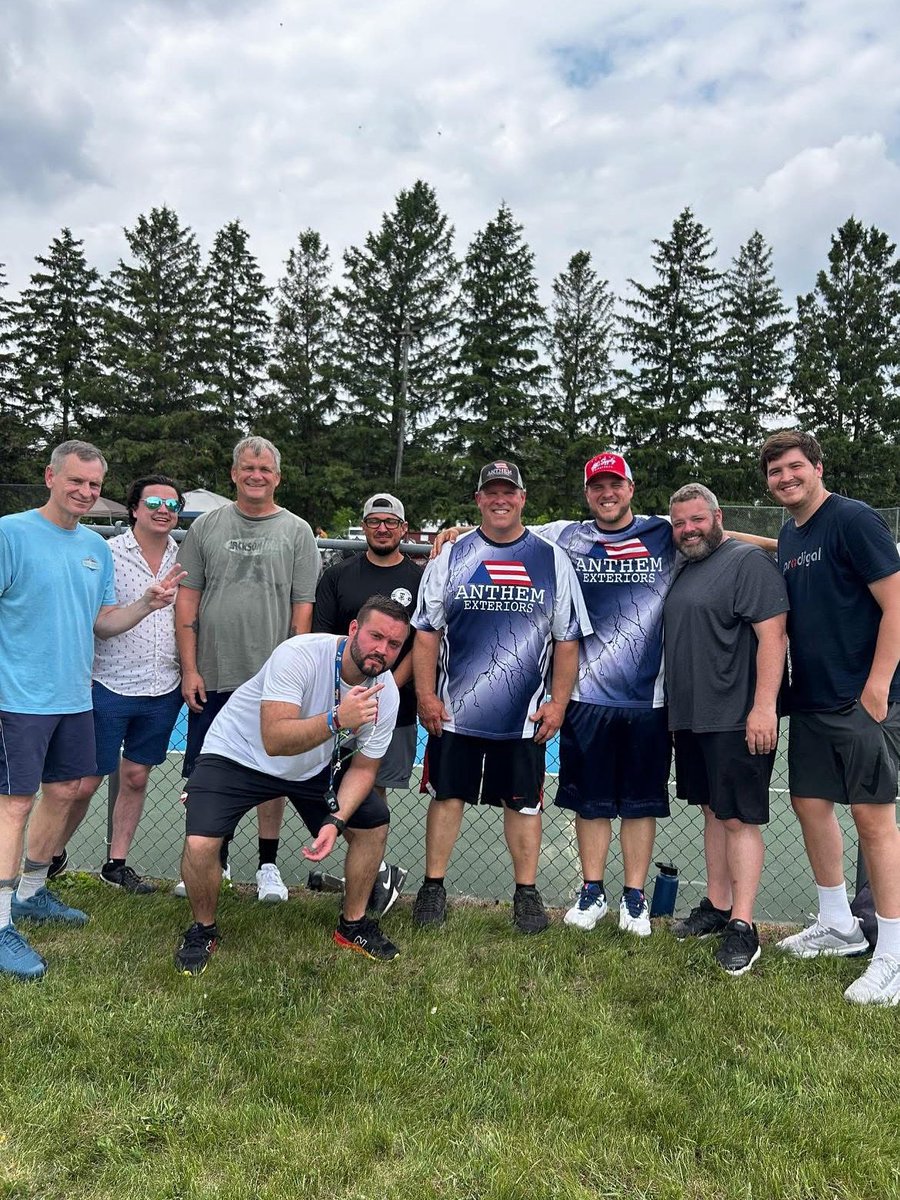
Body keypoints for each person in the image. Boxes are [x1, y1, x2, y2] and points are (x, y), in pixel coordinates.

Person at [432, 451, 774, 937]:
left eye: (616, 485)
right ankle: (591, 890)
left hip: (648, 700)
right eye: (597, 487)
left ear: (631, 489)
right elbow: (506, 529)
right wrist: (454, 534)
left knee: (638, 804)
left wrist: (783, 544)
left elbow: (717, 534)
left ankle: (634, 898)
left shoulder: (664, 532)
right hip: (584, 698)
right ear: (588, 493)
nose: (607, 494)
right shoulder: (564, 535)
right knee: (589, 802)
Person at [0, 441, 183, 980]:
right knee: (12, 807)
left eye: (93, 485)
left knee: (63, 793)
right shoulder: (10, 532)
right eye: (75, 481)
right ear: (50, 477)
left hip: (75, 696)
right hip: (17, 699)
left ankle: (32, 893)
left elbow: (101, 622)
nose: (84, 492)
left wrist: (146, 605)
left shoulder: (95, 549)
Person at [174, 596, 411, 975]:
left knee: (373, 824)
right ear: (353, 630)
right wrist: (337, 719)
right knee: (201, 844)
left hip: (309, 767)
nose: (381, 650)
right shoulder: (299, 654)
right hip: (238, 754)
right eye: (375, 636)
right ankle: (203, 930)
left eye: (394, 644)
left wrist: (336, 821)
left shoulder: (387, 694)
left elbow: (365, 769)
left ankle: (353, 926)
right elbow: (275, 739)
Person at [410, 461, 590, 934]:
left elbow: (567, 639)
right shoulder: (451, 556)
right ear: (479, 500)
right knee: (447, 796)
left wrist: (558, 703)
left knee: (524, 803)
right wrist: (426, 696)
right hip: (455, 712)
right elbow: (427, 633)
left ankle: (525, 895)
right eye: (491, 492)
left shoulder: (551, 559)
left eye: (508, 491)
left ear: (523, 498)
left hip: (523, 716)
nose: (500, 499)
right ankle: (433, 886)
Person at [760, 430, 900, 1005]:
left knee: (873, 822)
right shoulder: (791, 531)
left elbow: (897, 602)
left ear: (817, 466)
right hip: (813, 701)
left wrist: (878, 686)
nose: (785, 478)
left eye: (795, 467)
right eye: (775, 473)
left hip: (862, 702)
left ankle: (891, 954)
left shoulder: (854, 519)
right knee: (810, 805)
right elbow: (778, 551)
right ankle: (838, 923)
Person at [175, 436, 320, 902]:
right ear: (234, 474)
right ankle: (212, 861)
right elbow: (188, 602)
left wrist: (293, 677)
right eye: (247, 468)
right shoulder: (206, 528)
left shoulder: (297, 531)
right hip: (215, 674)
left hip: (272, 685)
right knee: (207, 775)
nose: (256, 475)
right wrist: (190, 669)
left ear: (277, 477)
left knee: (271, 774)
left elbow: (303, 611)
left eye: (265, 469)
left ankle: (268, 865)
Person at [663, 484, 789, 974]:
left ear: (717, 517)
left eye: (697, 519)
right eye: (680, 523)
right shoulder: (686, 566)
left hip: (737, 717)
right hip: (694, 718)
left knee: (738, 818)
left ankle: (743, 925)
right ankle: (717, 907)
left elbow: (773, 637)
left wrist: (763, 708)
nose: (688, 530)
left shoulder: (746, 564)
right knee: (713, 811)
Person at [57, 476, 186, 894]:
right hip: (107, 685)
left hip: (163, 688)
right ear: (134, 509)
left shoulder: (184, 559)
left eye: (172, 503)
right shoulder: (106, 554)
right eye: (153, 501)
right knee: (86, 781)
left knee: (135, 777)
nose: (163, 509)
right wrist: (145, 603)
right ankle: (50, 854)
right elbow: (100, 623)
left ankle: (117, 864)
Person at [313, 492, 423, 913]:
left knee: (372, 791)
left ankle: (368, 875)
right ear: (364, 525)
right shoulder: (338, 576)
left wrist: (386, 690)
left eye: (390, 522)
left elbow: (421, 640)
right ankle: (354, 869)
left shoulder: (418, 579)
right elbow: (321, 637)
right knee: (329, 785)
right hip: (335, 706)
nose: (382, 528)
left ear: (403, 528)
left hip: (394, 708)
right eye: (374, 521)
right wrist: (344, 697)